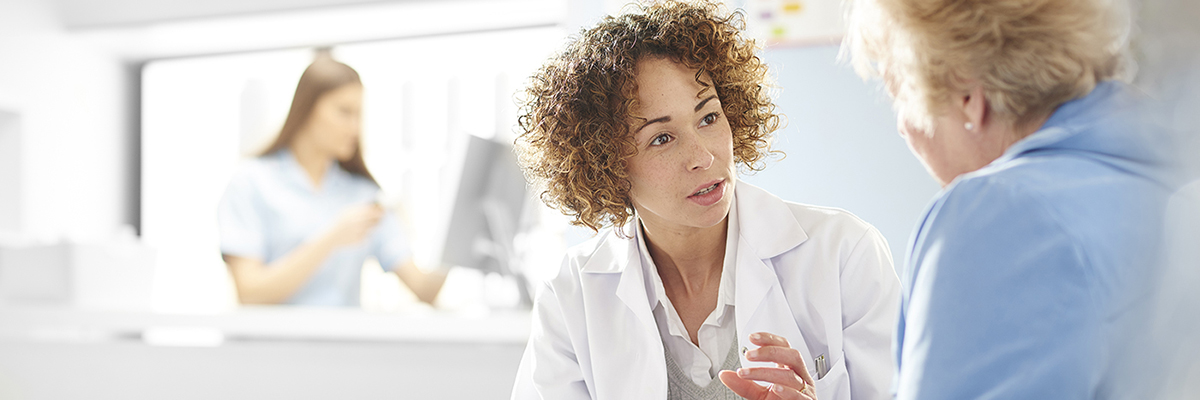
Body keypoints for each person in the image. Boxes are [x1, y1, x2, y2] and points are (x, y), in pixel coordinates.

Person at [510, 2, 900, 399]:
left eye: (708, 117)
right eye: (661, 139)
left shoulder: (844, 255)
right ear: (605, 166)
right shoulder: (572, 295)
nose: (703, 157)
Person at [842, 0, 1179, 397]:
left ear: (967, 92)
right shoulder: (1156, 171)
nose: (903, 127)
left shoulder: (1001, 214)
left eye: (897, 91)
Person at [217, 52, 446, 307]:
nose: (355, 128)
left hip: (342, 345)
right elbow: (249, 293)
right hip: (272, 346)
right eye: (344, 112)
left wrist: (459, 233)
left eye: (359, 115)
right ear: (307, 110)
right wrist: (332, 238)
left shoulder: (364, 195)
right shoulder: (251, 182)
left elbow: (423, 289)